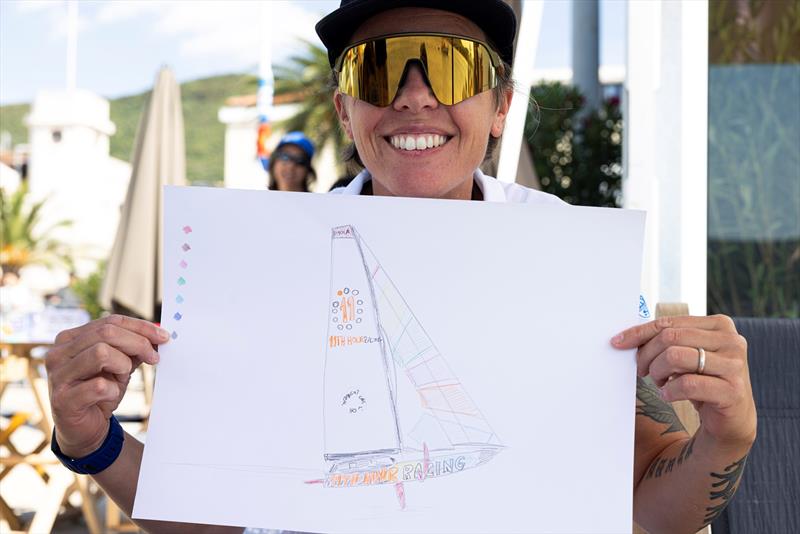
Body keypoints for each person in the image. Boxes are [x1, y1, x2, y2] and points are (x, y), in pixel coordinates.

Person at [45, 2, 757, 533]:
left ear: (502, 106)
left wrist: (725, 437)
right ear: (346, 110)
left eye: (450, 66)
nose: (415, 94)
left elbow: (648, 508)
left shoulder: (565, 258)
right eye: (380, 69)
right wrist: (93, 441)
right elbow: (205, 510)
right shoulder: (263, 264)